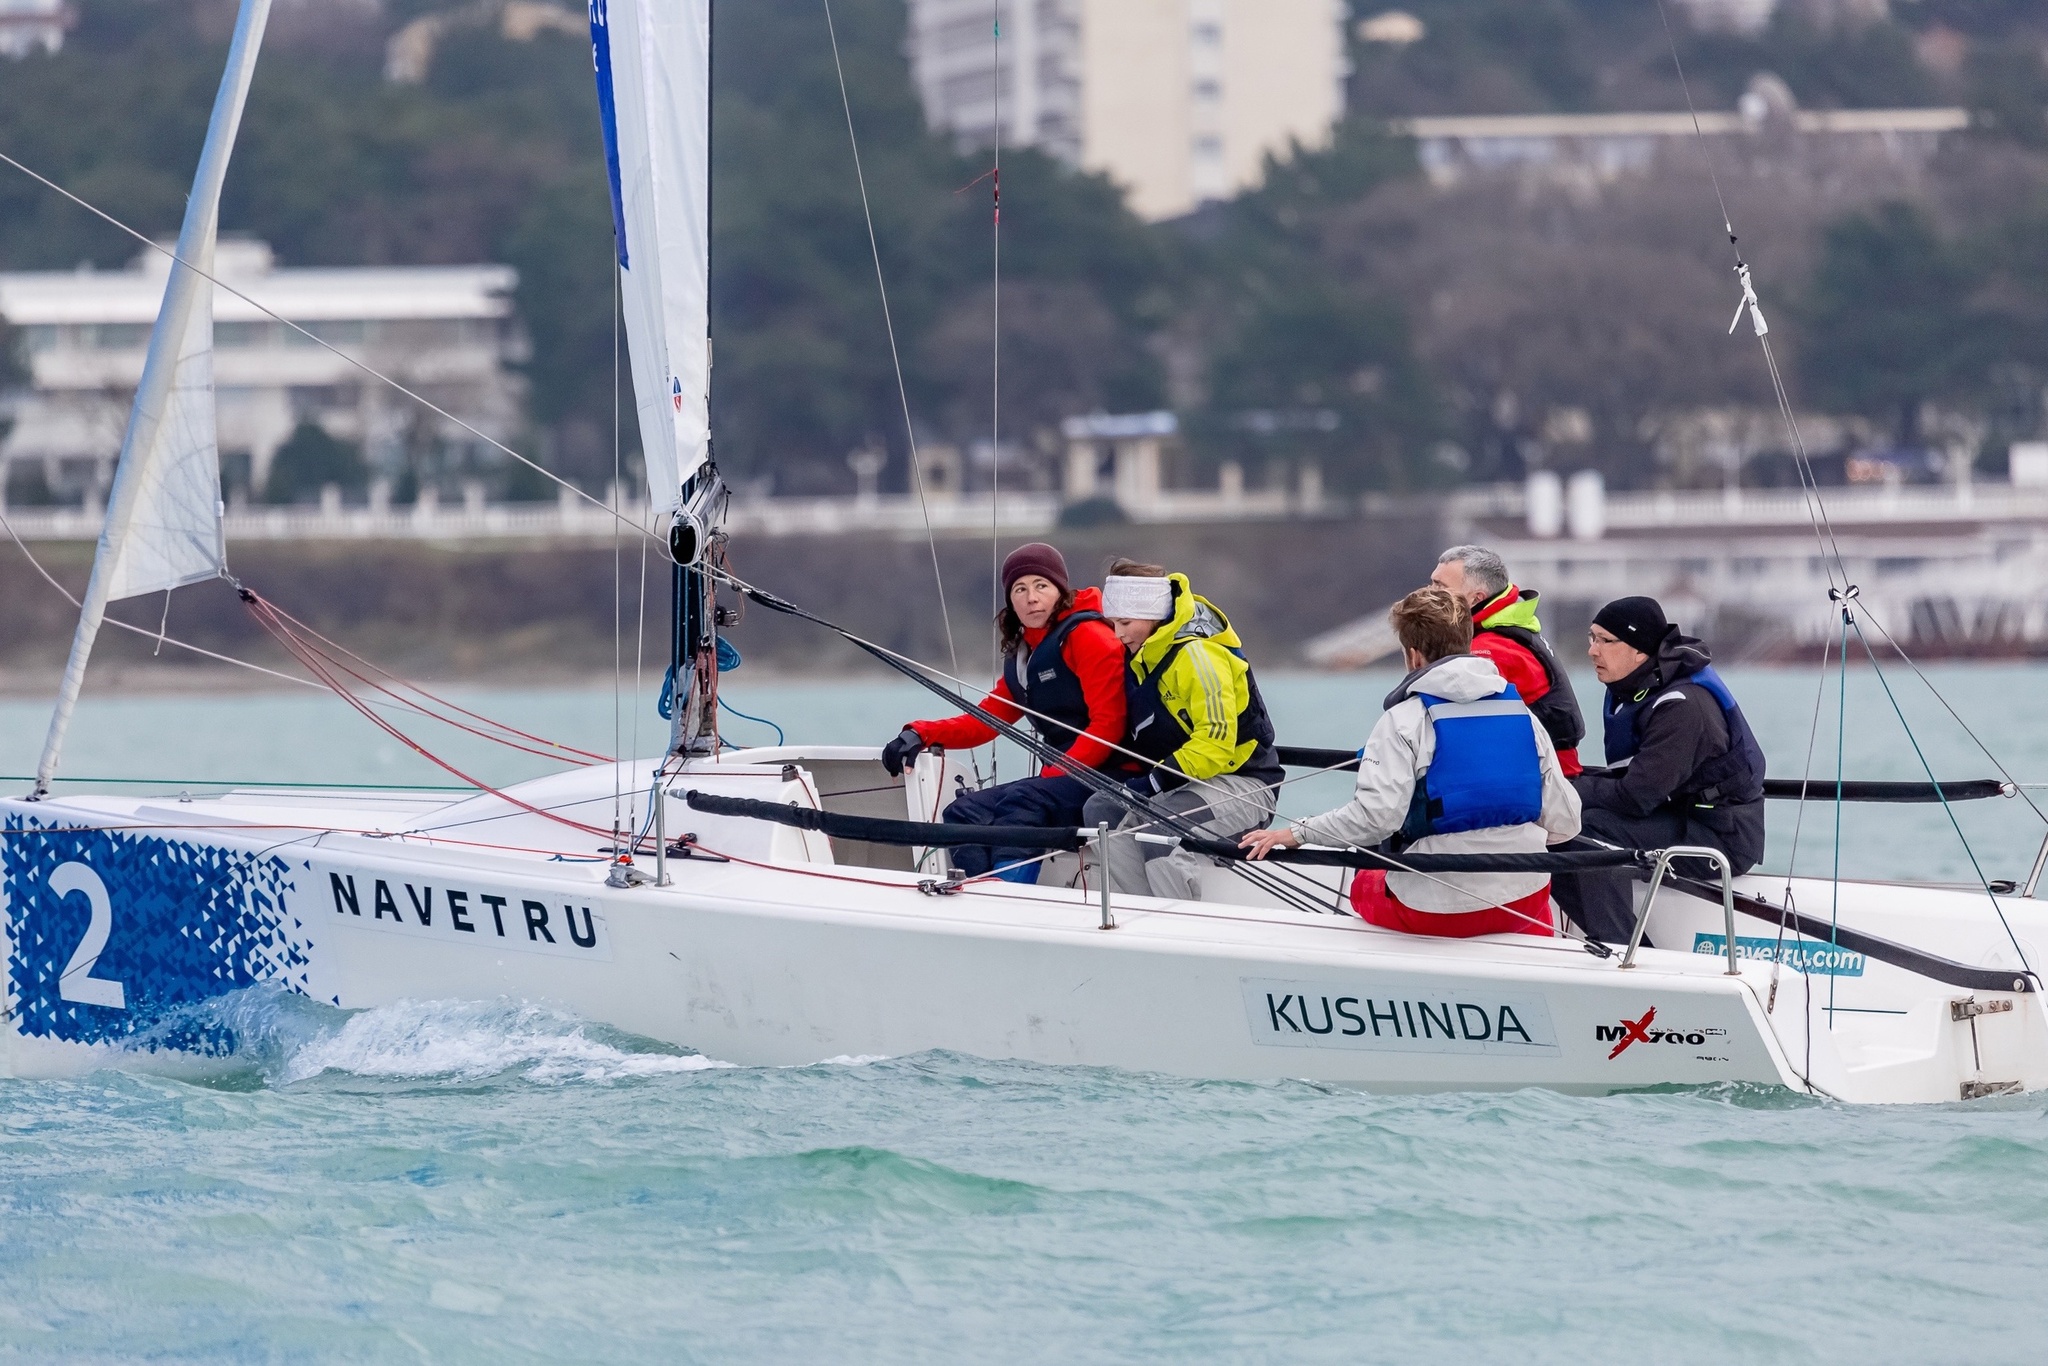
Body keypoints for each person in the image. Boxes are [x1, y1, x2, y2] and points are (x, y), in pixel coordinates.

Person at [1241, 586, 1581, 938]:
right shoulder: (1524, 716)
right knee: (1535, 901)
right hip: (1525, 900)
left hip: (1439, 908)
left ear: (1414, 656)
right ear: (1468, 640)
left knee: (1364, 883)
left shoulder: (1404, 719)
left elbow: (1376, 819)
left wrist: (1296, 832)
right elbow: (1566, 822)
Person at [880, 542, 1129, 883]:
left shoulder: (1089, 637)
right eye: (1020, 589)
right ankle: (981, 904)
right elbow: (983, 723)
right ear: (1010, 600)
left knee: (1023, 806)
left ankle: (1010, 903)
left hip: (1116, 776)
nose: (1031, 597)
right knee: (964, 813)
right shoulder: (1025, 656)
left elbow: (1110, 725)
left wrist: (1055, 773)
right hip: (1063, 778)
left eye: (1042, 586)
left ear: (1061, 591)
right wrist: (921, 733)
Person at [1550, 596, 1767, 945]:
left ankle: (1625, 949)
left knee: (1577, 828)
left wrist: (1565, 792)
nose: (1592, 650)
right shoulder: (1640, 688)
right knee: (1571, 814)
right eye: (1592, 638)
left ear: (1639, 650)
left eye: (1605, 641)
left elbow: (1636, 797)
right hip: (1683, 817)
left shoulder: (1682, 707)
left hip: (1721, 838)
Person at [1081, 561, 1284, 900]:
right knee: (1101, 810)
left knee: (1162, 825)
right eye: (1113, 623)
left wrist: (1152, 783)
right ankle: (1140, 912)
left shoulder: (1198, 655)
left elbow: (1215, 743)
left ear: (1153, 615)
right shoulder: (1145, 655)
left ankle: (1180, 924)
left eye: (1125, 622)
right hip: (1190, 783)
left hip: (1247, 785)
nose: (1117, 634)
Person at [1431, 544, 1585, 776]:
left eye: (1440, 587)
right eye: (1432, 583)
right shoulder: (1502, 631)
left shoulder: (1489, 650)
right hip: (1534, 774)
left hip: (1541, 785)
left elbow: (1455, 723)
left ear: (1475, 599)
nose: (1429, 593)